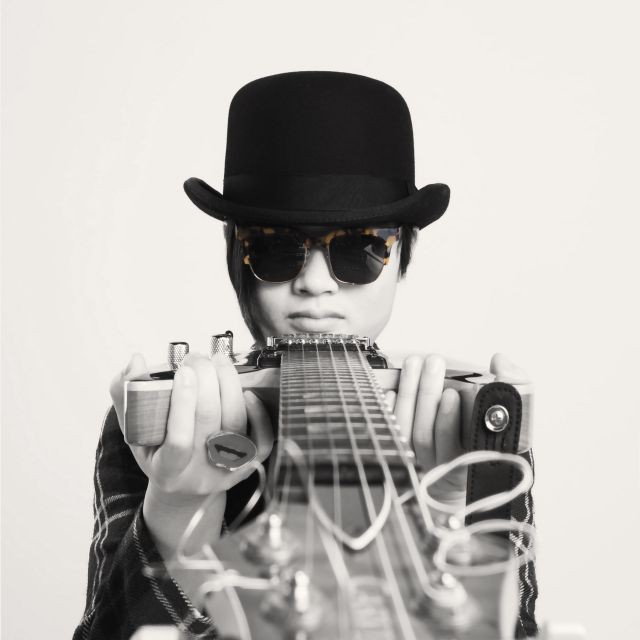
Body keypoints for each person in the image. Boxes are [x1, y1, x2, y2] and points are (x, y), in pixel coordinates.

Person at [74, 71, 537, 640]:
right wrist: (178, 506)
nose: (315, 285)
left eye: (361, 249)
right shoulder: (173, 423)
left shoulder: (470, 421)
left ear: (403, 256)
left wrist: (449, 515)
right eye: (275, 249)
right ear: (235, 253)